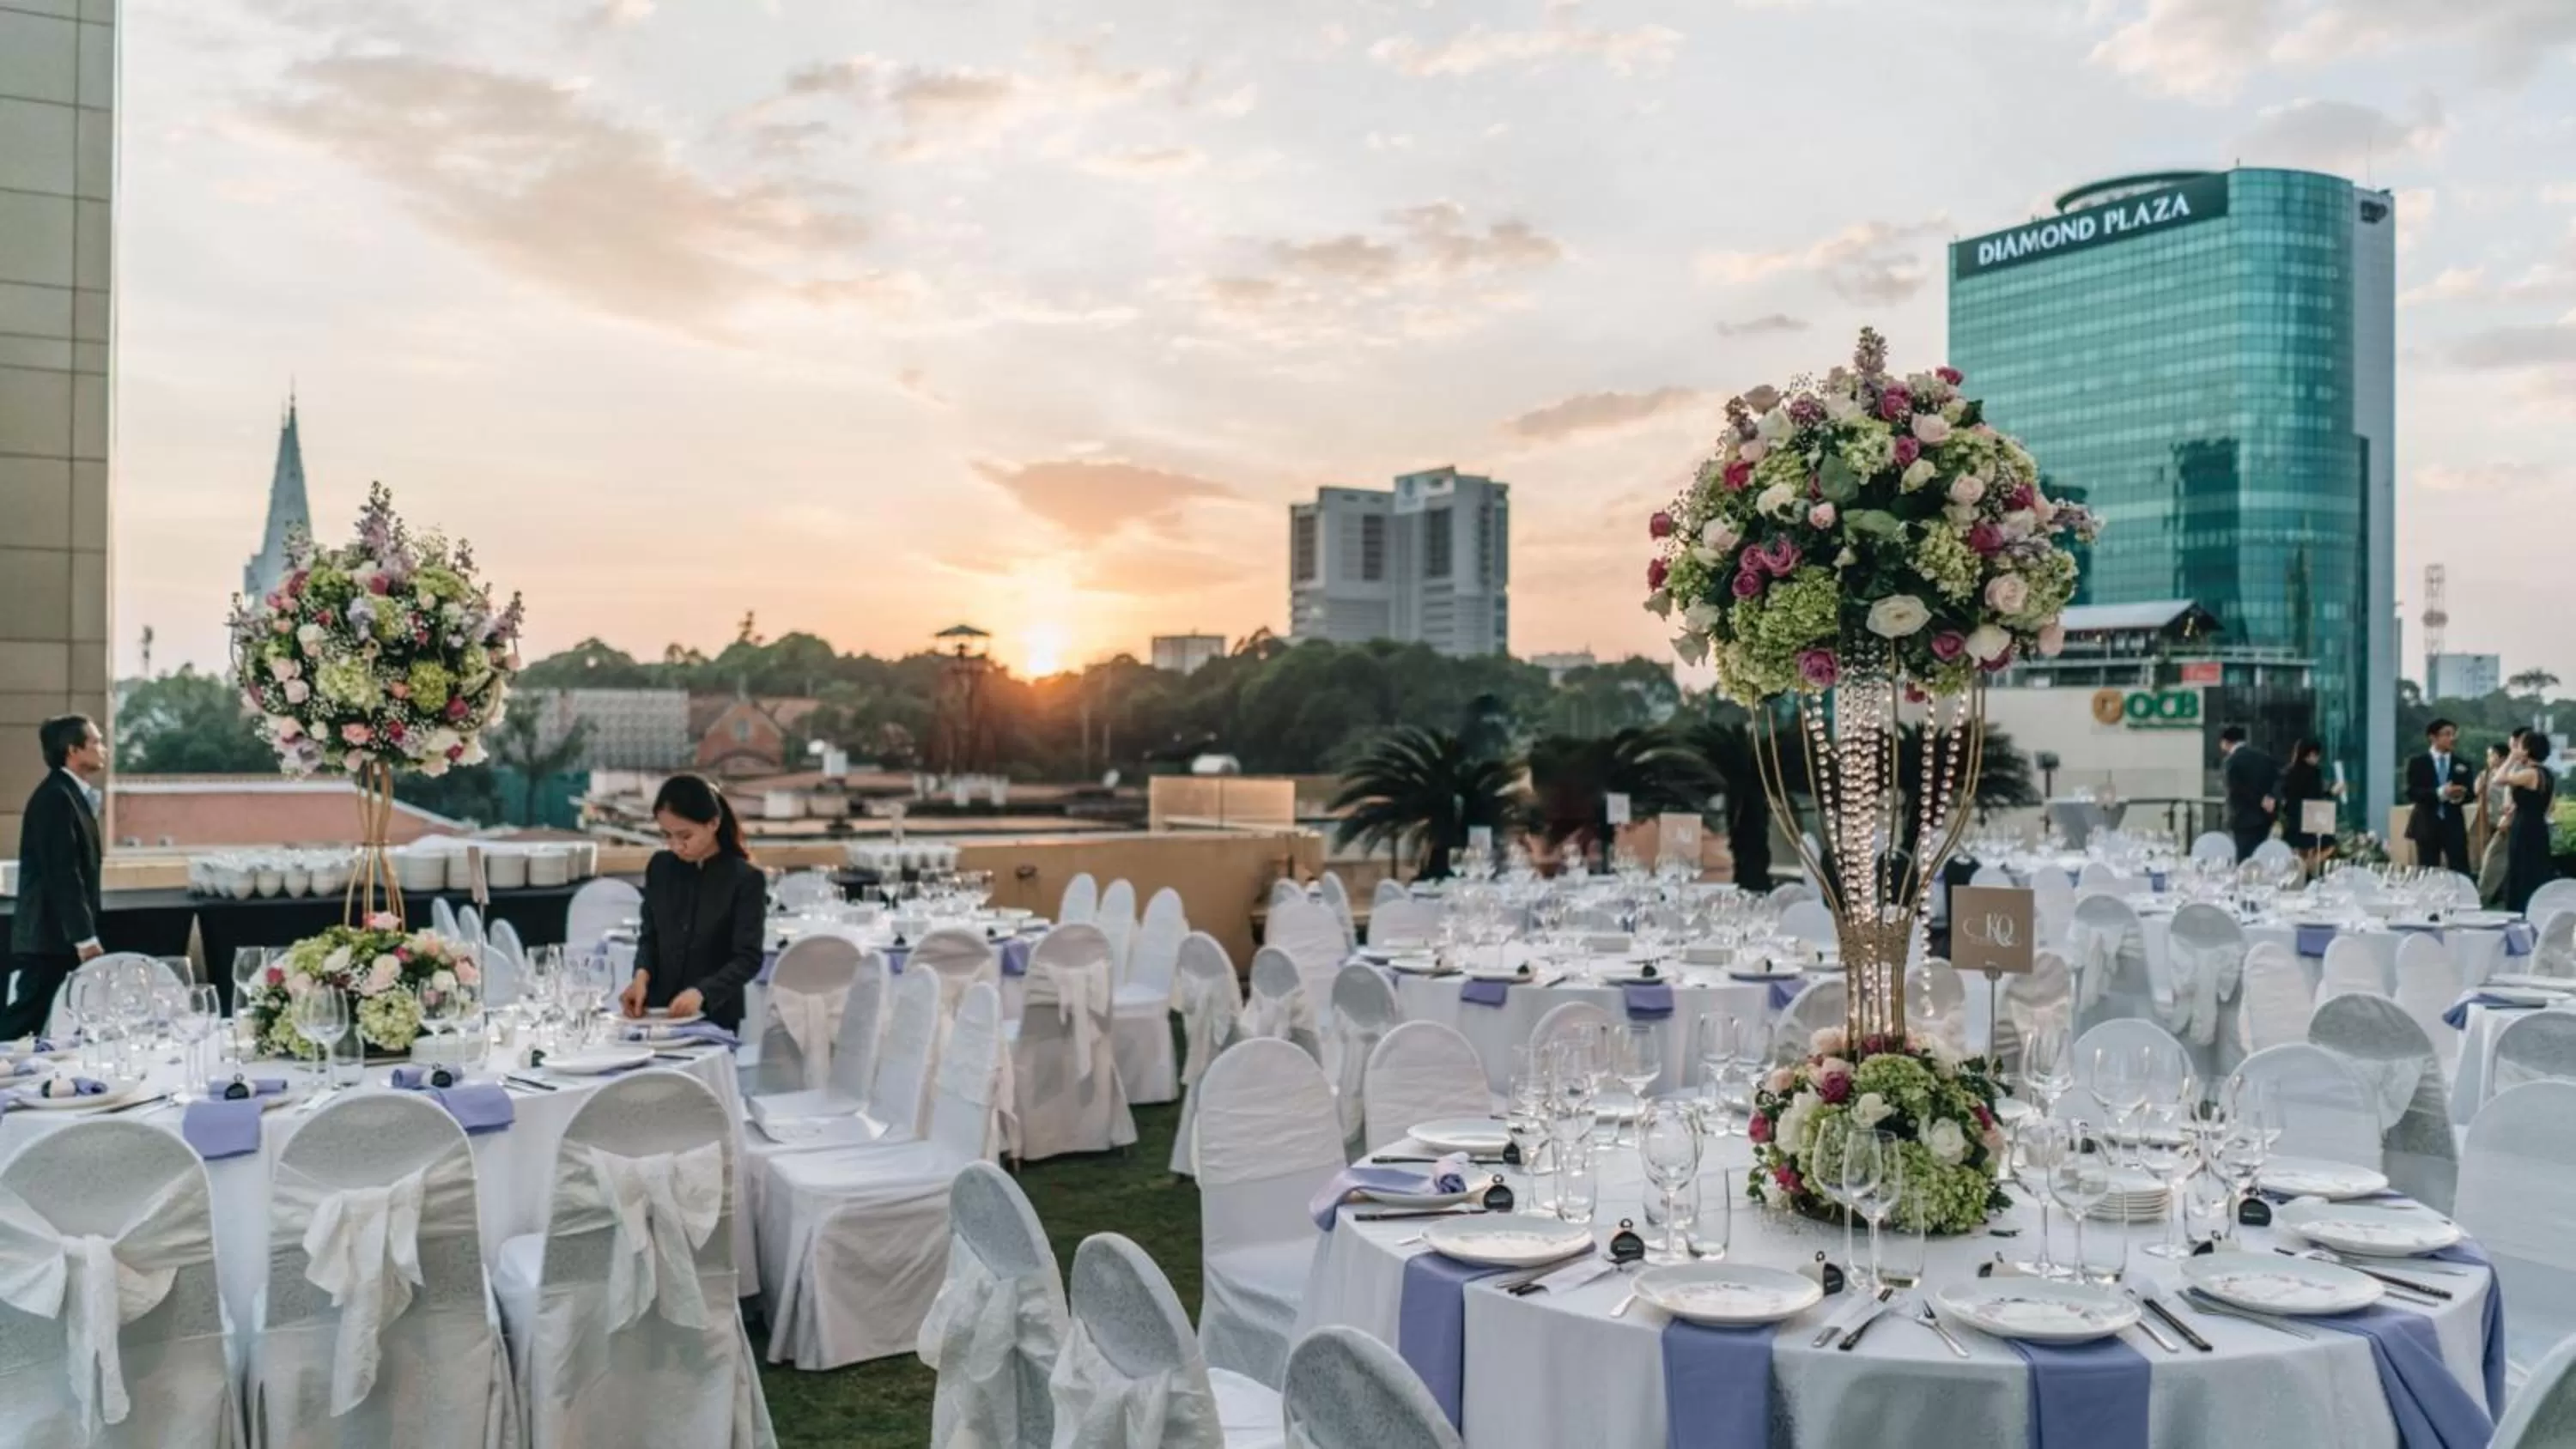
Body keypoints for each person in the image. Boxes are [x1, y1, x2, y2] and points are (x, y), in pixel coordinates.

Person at [616, 773, 765, 1032]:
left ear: (713, 823)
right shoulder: (660, 867)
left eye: (685, 836)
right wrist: (640, 976)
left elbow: (748, 958)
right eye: (667, 835)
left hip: (715, 1015)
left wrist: (702, 992)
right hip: (657, 1011)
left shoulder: (746, 879)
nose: (676, 846)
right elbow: (650, 936)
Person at [3, 716, 106, 1041]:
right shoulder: (55, 797)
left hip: (57, 935)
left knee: (38, 1023)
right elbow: (64, 873)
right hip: (49, 935)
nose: (103, 748)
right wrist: (85, 938)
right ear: (73, 750)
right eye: (95, 742)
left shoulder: (67, 794)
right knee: (23, 1020)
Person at [2496, 731, 2557, 915]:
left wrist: (2510, 759)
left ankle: (2518, 910)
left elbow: (2498, 779)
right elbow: (2550, 805)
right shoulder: (2547, 774)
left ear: (2527, 750)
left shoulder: (2530, 773)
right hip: (2538, 825)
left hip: (2524, 827)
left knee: (2521, 870)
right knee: (2535, 869)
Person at [2405, 718, 2476, 873]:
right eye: (2447, 734)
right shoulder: (2418, 763)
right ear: (2433, 737)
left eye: (2454, 734)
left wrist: (2459, 795)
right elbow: (2412, 793)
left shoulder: (2462, 763)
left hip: (2454, 825)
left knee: (2460, 870)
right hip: (2426, 825)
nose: (2452, 738)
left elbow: (2471, 794)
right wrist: (2440, 793)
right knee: (2428, 871)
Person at [2275, 737, 2342, 868]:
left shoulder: (2288, 772)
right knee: (2328, 845)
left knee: (2298, 851)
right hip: (2311, 819)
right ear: (2311, 754)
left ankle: (2301, 868)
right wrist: (2331, 792)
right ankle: (2307, 866)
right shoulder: (2314, 773)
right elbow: (2315, 797)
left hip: (2293, 821)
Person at [2218, 724, 2277, 863]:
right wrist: (2269, 799)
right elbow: (2276, 780)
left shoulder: (2231, 761)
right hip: (2264, 817)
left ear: (2226, 741)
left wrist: (2259, 799)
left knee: (2244, 860)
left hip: (2242, 818)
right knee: (2260, 858)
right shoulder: (2263, 757)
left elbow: (2236, 790)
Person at [2474, 740, 2515, 906]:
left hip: (2506, 824)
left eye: (2492, 755)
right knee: (2493, 859)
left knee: (2494, 860)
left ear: (2503, 758)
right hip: (2490, 823)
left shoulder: (2511, 774)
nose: (2489, 759)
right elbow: (2477, 792)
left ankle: (2483, 897)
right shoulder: (2485, 775)